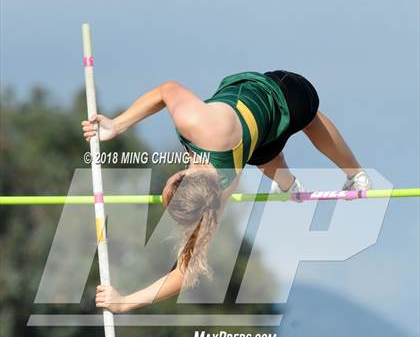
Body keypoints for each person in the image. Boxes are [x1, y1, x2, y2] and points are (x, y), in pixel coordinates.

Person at [81, 70, 372, 311]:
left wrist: (127, 302)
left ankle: (353, 175)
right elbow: (167, 89)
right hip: (267, 119)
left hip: (282, 99)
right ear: (181, 176)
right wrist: (116, 126)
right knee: (275, 143)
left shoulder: (219, 195)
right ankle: (301, 182)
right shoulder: (197, 130)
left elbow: (186, 274)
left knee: (297, 127)